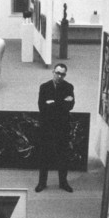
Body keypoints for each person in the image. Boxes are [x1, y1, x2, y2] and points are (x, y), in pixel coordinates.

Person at [35, 63, 75, 193]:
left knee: (63, 157)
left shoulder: (69, 87)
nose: (59, 76)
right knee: (44, 156)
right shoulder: (44, 87)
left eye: (62, 74)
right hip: (47, 127)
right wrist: (62, 102)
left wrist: (53, 103)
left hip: (62, 128)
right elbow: (42, 107)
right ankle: (42, 183)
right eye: (57, 73)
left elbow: (70, 106)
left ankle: (63, 183)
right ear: (53, 72)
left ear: (65, 75)